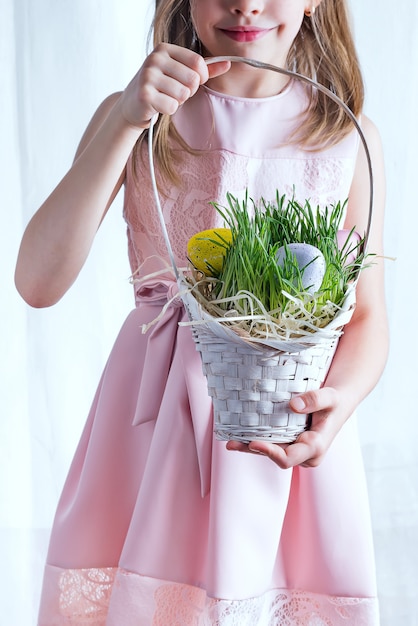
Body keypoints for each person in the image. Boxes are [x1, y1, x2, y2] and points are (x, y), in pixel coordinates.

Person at [15, 0, 388, 624]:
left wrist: (339, 402)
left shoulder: (344, 138)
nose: (245, 3)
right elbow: (37, 280)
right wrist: (125, 122)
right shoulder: (138, 120)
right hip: (149, 441)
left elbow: (367, 317)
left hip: (279, 441)